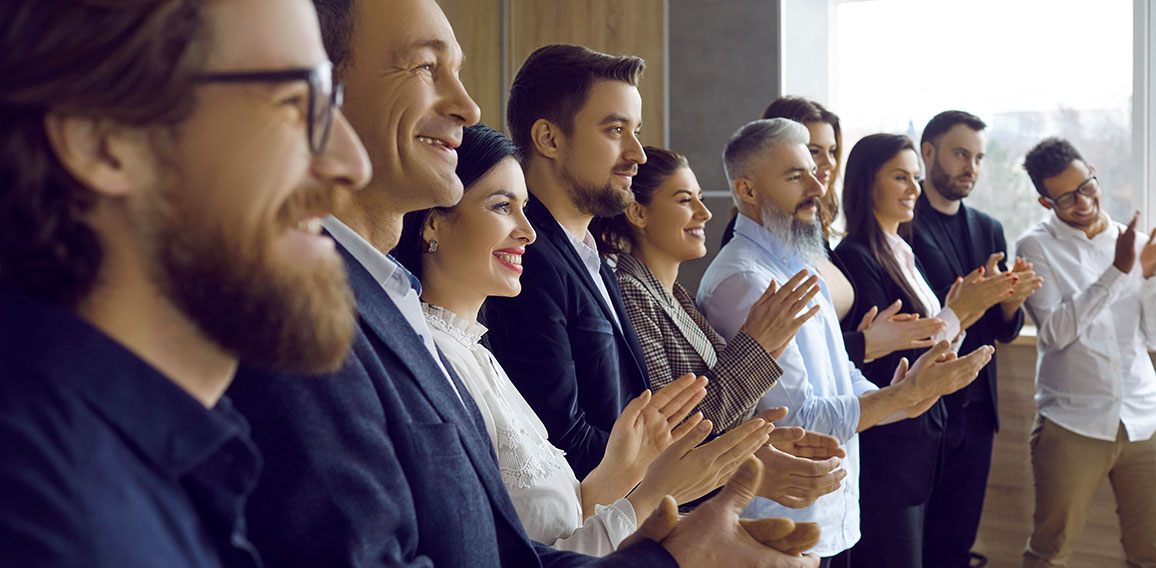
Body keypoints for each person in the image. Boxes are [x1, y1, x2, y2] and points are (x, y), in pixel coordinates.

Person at [228, 0, 822, 566]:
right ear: (317, 90)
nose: (466, 104)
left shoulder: (425, 311)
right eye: (426, 67)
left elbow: (506, 544)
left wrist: (661, 514)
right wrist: (658, 523)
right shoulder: (302, 314)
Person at [0, 0, 371, 565]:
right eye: (298, 101)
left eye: (331, 100)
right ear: (105, 141)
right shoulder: (54, 524)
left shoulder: (161, 462)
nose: (354, 162)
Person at [394, 122, 817, 556]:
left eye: (523, 208)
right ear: (432, 224)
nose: (529, 231)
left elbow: (565, 518)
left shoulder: (478, 353)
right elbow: (519, 556)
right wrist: (653, 492)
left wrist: (623, 469)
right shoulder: (433, 362)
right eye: (502, 206)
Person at [698, 118, 995, 566]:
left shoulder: (799, 259)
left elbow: (843, 375)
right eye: (795, 176)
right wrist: (905, 395)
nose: (816, 185)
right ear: (748, 190)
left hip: (830, 508)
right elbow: (800, 418)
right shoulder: (746, 279)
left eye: (814, 171)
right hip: (781, 518)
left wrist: (903, 398)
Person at [591, 145, 850, 509]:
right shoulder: (632, 296)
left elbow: (723, 405)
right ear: (637, 212)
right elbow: (672, 435)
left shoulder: (677, 296)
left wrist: (762, 439)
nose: (704, 212)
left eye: (699, 197)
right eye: (685, 200)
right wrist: (757, 345)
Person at [831, 134, 1018, 567]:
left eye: (915, 177)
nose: (914, 188)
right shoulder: (856, 256)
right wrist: (958, 311)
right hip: (889, 447)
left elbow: (933, 345)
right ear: (865, 182)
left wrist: (964, 312)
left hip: (922, 441)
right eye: (901, 177)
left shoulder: (902, 250)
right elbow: (891, 358)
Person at [907, 111, 1042, 567]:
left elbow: (1000, 330)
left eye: (980, 158)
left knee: (957, 541)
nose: (972, 167)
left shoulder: (988, 227)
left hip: (979, 409)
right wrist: (973, 301)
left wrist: (1010, 302)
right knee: (913, 541)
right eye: (961, 154)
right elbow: (917, 319)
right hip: (923, 404)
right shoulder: (903, 225)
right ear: (928, 153)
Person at [1016, 137, 1156, 567]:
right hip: (1073, 423)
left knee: (1149, 551)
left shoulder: (1129, 240)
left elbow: (1150, 334)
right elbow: (1055, 332)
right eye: (1065, 196)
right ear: (1045, 200)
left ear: (1093, 172)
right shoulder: (1035, 247)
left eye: (1086, 186)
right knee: (1051, 552)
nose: (1082, 201)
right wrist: (1119, 271)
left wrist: (1149, 278)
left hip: (1143, 418)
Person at [723, 97, 944, 368]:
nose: (826, 165)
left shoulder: (811, 235)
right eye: (813, 150)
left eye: (832, 151)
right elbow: (783, 358)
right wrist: (865, 342)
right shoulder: (749, 246)